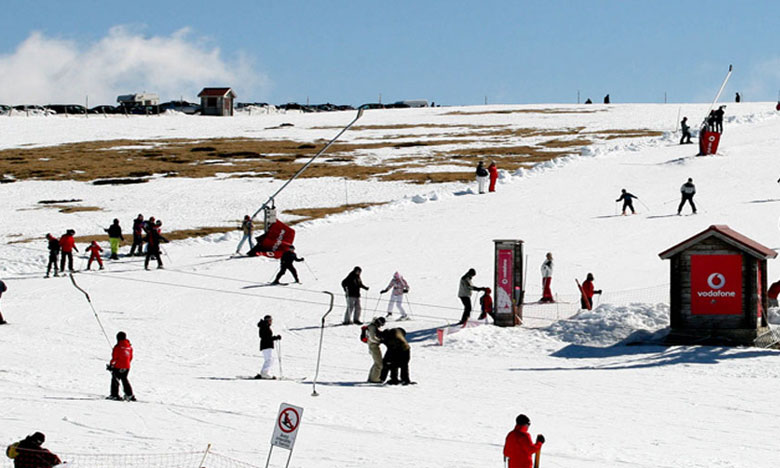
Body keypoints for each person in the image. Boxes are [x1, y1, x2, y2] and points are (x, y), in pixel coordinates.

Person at [108, 331, 135, 401]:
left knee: (115, 380)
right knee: (124, 379)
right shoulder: (129, 347)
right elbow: (130, 357)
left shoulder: (117, 347)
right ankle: (130, 394)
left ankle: (114, 395)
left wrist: (111, 365)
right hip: (127, 366)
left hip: (118, 366)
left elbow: (115, 358)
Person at [255, 315, 281, 379]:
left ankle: (264, 373)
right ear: (267, 320)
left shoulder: (264, 326)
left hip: (266, 345)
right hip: (266, 345)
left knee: (270, 359)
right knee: (269, 359)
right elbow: (266, 337)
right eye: (270, 320)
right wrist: (275, 338)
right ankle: (264, 373)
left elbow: (266, 337)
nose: (271, 321)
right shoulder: (265, 326)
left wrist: (275, 338)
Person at [365, 316, 386, 383]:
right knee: (379, 363)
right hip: (373, 346)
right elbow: (372, 338)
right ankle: (375, 379)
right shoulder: (372, 327)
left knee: (376, 362)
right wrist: (380, 341)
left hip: (372, 346)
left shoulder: (372, 326)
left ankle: (371, 378)